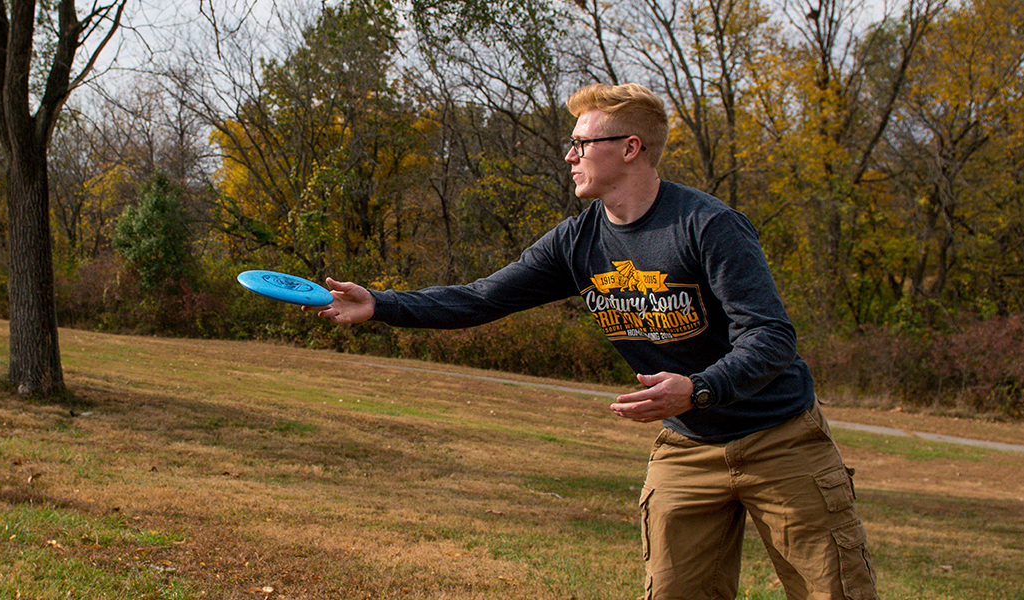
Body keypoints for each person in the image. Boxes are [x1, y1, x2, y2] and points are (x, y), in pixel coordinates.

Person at [307, 83, 878, 599]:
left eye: (582, 142)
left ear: (630, 148)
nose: (569, 154)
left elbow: (771, 336)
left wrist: (699, 389)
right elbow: (483, 298)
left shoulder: (707, 225)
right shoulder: (576, 241)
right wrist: (382, 302)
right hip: (687, 446)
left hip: (780, 440)